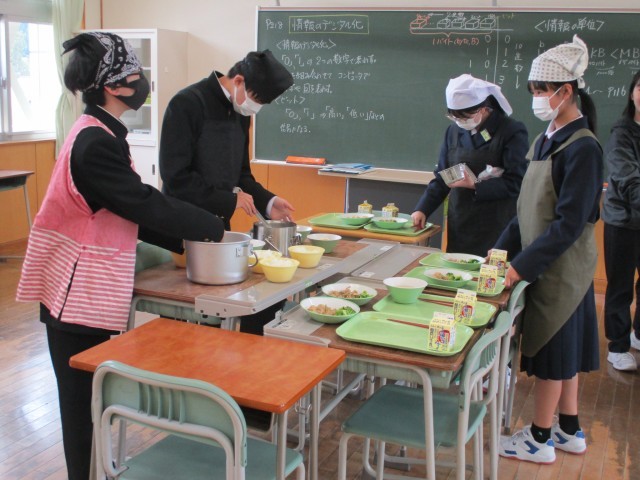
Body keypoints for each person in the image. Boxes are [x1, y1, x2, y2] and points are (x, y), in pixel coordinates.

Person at [15, 32, 225, 480]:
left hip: (81, 292)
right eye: (136, 75)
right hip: (74, 296)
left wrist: (190, 237)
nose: (143, 82)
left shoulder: (101, 132)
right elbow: (143, 202)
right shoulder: (95, 144)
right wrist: (210, 227)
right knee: (81, 409)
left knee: (92, 403)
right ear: (112, 86)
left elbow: (127, 208)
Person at [496, 35, 602, 464]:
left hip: (562, 270)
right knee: (565, 353)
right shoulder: (547, 139)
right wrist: (498, 254)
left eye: (543, 90)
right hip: (544, 263)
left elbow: (568, 225)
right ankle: (568, 429)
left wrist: (520, 267)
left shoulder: (584, 147)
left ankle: (539, 438)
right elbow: (526, 210)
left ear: (566, 91)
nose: (538, 98)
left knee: (554, 357)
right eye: (534, 89)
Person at [159, 49, 295, 335]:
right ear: (239, 81)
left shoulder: (240, 112)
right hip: (181, 228)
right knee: (183, 326)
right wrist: (229, 199)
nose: (255, 108)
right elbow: (175, 177)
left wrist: (268, 201)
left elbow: (242, 175)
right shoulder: (187, 103)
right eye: (256, 99)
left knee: (236, 309)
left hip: (218, 229)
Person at [411, 74, 528, 257]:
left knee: (491, 272)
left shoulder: (510, 131)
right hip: (462, 222)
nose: (460, 121)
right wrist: (422, 209)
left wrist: (476, 185)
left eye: (465, 116)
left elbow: (517, 182)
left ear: (483, 108)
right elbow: (443, 178)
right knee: (457, 268)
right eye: (454, 116)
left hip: (497, 225)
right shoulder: (453, 132)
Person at [602, 70, 640, 371]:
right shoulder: (621, 132)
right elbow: (627, 178)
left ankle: (638, 334)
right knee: (620, 286)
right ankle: (617, 346)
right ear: (632, 94)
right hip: (623, 222)